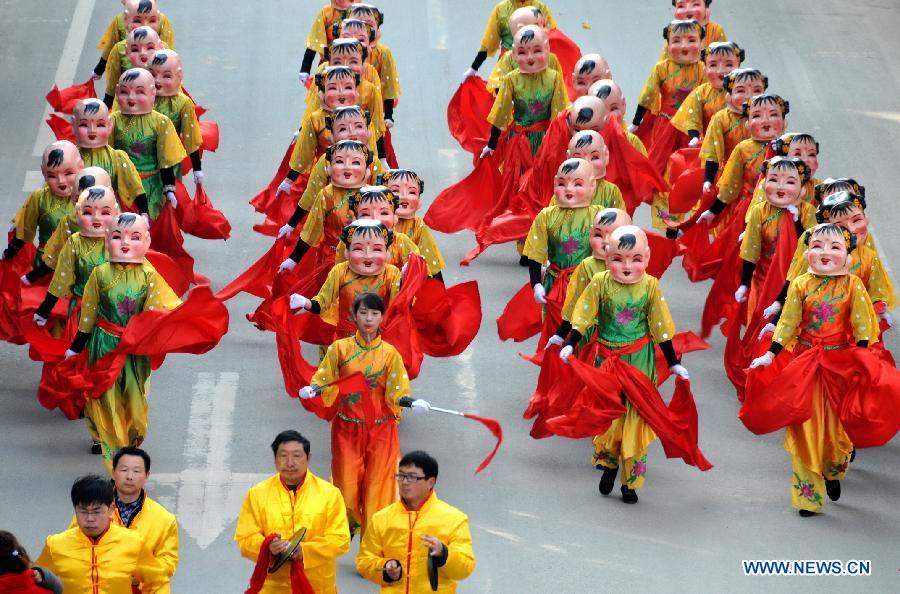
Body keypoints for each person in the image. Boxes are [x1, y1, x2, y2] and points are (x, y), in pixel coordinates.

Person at [299, 292, 426, 536]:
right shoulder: (340, 349)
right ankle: (347, 526)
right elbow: (325, 377)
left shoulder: (390, 354)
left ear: (381, 319)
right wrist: (313, 388)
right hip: (347, 428)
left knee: (378, 490)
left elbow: (396, 390)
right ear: (353, 316)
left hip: (381, 430)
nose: (369, 318)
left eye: (375, 313)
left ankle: (372, 542)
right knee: (345, 487)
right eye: (363, 313)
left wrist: (411, 403)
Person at [235, 431, 350, 593]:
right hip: (272, 587)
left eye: (297, 456)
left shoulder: (330, 494)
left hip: (317, 586)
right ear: (275, 460)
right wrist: (267, 548)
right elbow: (245, 539)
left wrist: (305, 551)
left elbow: (340, 539)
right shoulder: (257, 494)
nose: (290, 463)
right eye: (283, 456)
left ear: (308, 458)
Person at [357, 451, 476, 592]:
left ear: (430, 482)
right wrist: (386, 568)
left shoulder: (454, 519)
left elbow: (465, 568)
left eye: (412, 477)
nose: (404, 482)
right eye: (400, 476)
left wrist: (444, 553)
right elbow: (364, 561)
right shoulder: (381, 518)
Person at [36, 475, 168, 593]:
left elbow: (157, 582)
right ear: (75, 509)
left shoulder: (134, 543)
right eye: (83, 511)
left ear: (111, 509)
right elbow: (35, 582)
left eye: (97, 511)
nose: (90, 518)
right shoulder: (55, 545)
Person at [65, 448, 179, 584]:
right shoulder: (92, 510)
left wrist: (140, 575)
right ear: (113, 473)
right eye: (124, 470)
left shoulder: (164, 519)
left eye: (136, 471)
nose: (129, 476)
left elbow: (168, 561)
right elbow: (73, 544)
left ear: (147, 476)